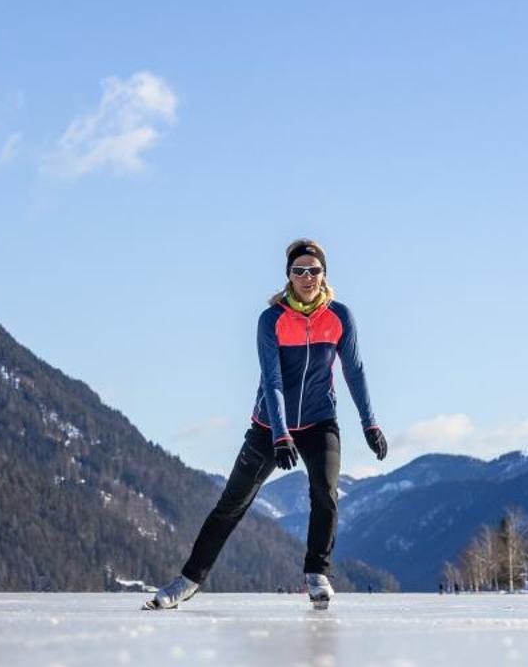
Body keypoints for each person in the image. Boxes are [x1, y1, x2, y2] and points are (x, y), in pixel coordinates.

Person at [146, 239, 387, 611]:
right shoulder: (271, 319)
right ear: (289, 276)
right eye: (299, 271)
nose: (307, 278)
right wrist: (280, 434)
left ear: (325, 275)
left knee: (326, 492)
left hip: (320, 420)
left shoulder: (340, 317)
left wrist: (370, 424)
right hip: (269, 427)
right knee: (232, 503)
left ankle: (317, 574)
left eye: (314, 270)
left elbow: (355, 372)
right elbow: (271, 381)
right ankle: (187, 581)